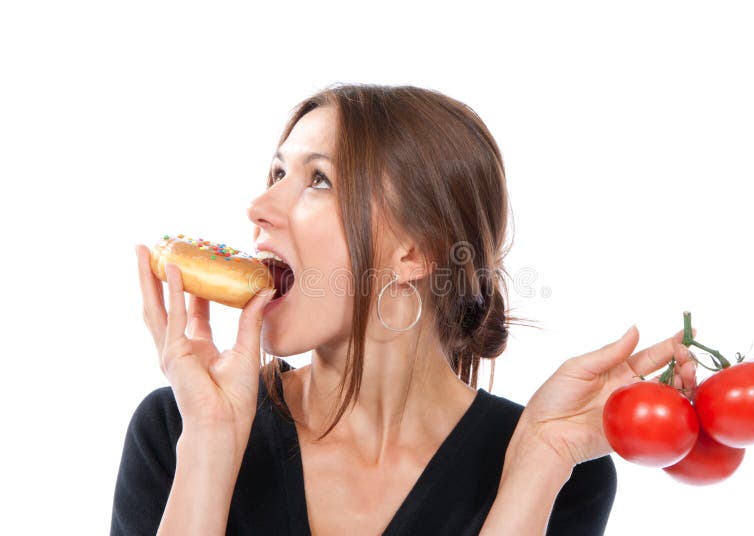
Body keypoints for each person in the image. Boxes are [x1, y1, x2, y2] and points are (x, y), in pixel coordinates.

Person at [111, 83, 697, 535]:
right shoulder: (178, 428)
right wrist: (212, 440)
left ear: (415, 251)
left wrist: (537, 466)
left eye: (318, 180)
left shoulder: (564, 468)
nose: (258, 206)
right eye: (278, 171)